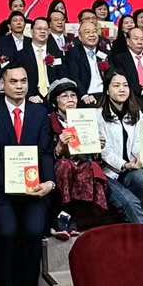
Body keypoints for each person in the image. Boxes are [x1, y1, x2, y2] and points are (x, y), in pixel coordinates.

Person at [0, 64, 55, 286]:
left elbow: (46, 152)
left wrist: (49, 181)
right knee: (7, 232)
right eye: (13, 81)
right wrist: (10, 184)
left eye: (23, 81)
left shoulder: (39, 112)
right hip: (3, 190)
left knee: (34, 232)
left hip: (35, 190)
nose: (19, 86)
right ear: (3, 84)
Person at [48, 78, 111, 230]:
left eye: (73, 95)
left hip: (83, 162)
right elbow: (45, 153)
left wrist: (98, 146)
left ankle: (81, 218)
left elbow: (94, 154)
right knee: (66, 166)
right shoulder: (48, 121)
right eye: (64, 96)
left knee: (91, 166)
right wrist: (59, 146)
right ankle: (64, 215)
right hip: (58, 166)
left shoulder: (86, 119)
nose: (70, 99)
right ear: (55, 101)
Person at [97, 72, 143, 225]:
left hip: (130, 170)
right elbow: (104, 150)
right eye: (116, 85)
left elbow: (139, 141)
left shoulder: (136, 113)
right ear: (107, 91)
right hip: (108, 172)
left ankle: (126, 219)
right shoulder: (98, 115)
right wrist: (124, 164)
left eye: (125, 85)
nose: (122, 89)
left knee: (141, 177)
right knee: (129, 201)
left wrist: (138, 157)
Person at [64, 17, 110, 106]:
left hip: (105, 94)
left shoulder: (104, 52)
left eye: (94, 32)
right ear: (80, 37)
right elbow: (74, 77)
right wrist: (84, 95)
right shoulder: (74, 53)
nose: (92, 35)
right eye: (87, 32)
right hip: (86, 95)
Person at [19, 16, 64, 102]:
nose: (43, 31)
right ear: (31, 31)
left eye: (45, 29)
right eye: (39, 29)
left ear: (49, 32)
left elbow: (62, 75)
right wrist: (29, 96)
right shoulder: (21, 55)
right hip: (30, 97)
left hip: (55, 96)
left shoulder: (57, 53)